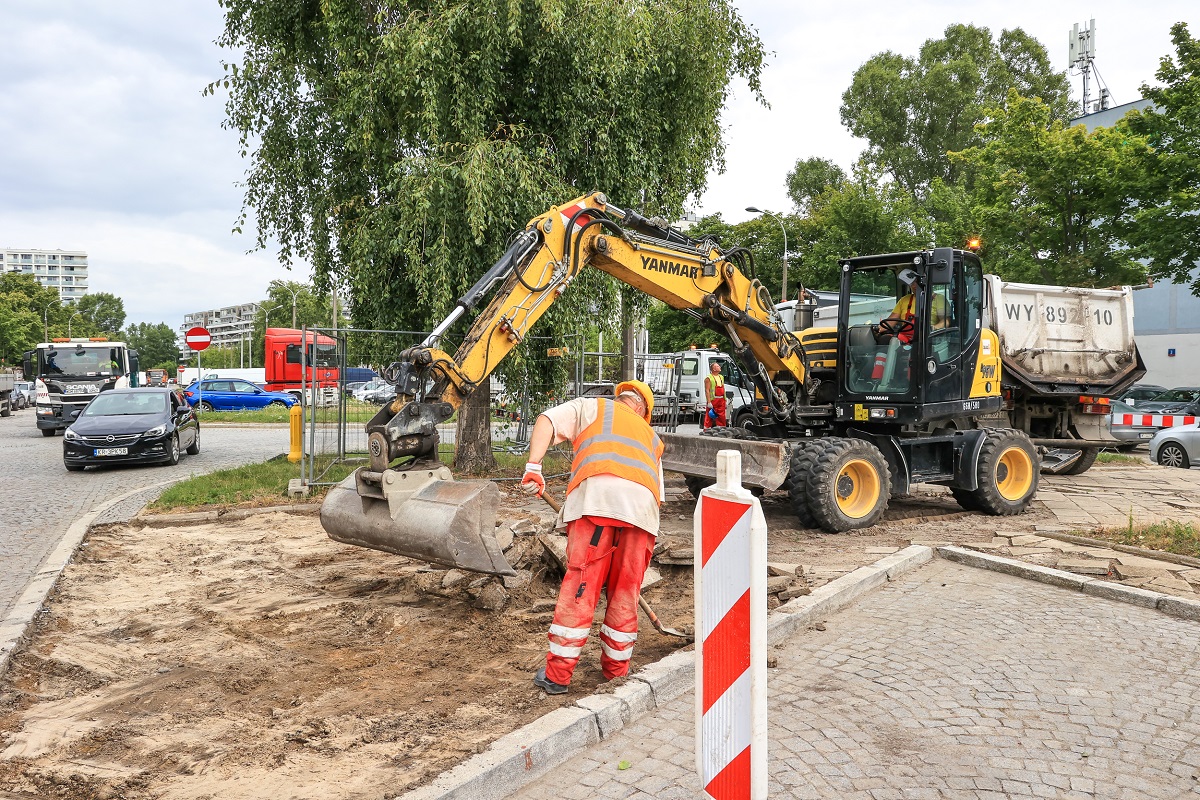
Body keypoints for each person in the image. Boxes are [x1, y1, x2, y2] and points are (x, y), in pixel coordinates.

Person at [521, 380, 664, 696]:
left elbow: (547, 419)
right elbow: (656, 495)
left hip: (596, 507)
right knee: (626, 590)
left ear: (621, 398)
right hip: (642, 517)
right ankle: (616, 672)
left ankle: (557, 676)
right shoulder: (652, 439)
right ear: (645, 412)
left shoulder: (594, 407)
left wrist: (534, 466)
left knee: (582, 586)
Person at [703, 361, 726, 428]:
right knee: (710, 414)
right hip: (713, 399)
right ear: (714, 369)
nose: (719, 367)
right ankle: (706, 429)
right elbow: (707, 390)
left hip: (721, 399)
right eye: (717, 366)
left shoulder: (721, 377)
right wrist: (709, 402)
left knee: (721, 416)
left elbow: (723, 388)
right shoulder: (708, 378)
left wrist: (725, 399)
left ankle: (722, 429)